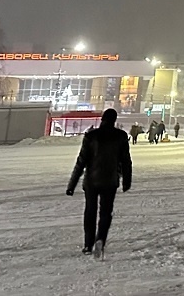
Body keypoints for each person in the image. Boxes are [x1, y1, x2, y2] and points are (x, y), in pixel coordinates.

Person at [66, 108, 132, 259]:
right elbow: (126, 161)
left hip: (91, 181)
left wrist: (72, 184)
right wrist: (126, 181)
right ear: (114, 120)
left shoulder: (91, 136)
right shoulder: (120, 136)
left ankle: (88, 244)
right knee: (105, 213)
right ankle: (100, 239)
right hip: (110, 181)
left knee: (90, 211)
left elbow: (81, 161)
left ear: (102, 119)